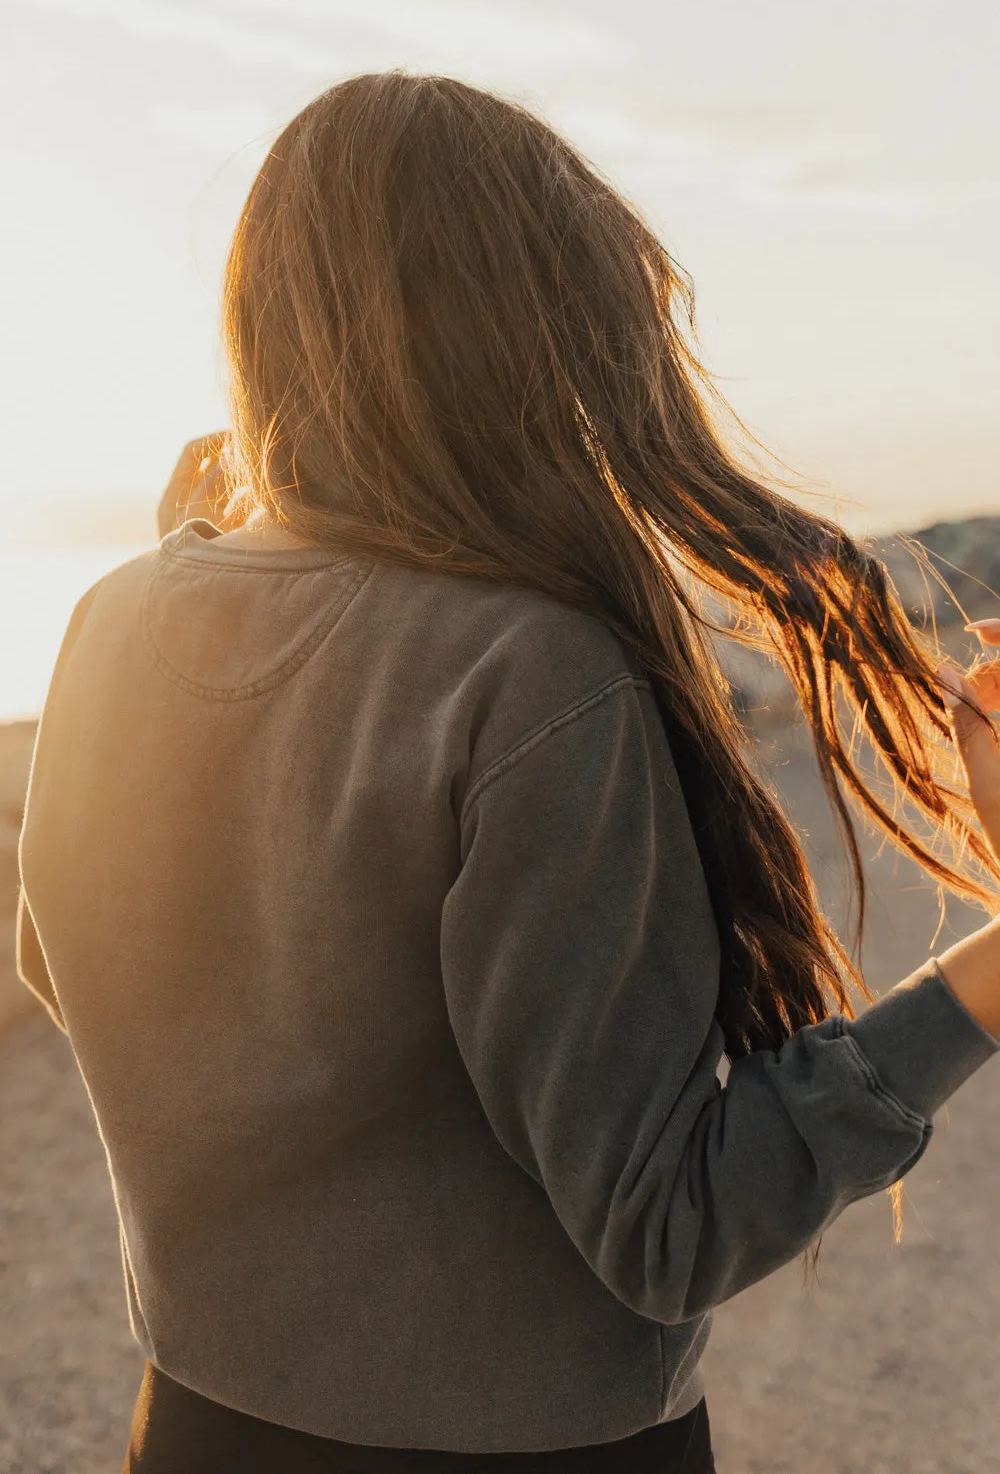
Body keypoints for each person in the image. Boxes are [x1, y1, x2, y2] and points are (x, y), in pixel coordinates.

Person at [14, 71, 1000, 1474]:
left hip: (197, 1424)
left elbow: (69, 970)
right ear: (542, 345)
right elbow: (675, 1229)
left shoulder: (111, 618)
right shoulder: (528, 673)